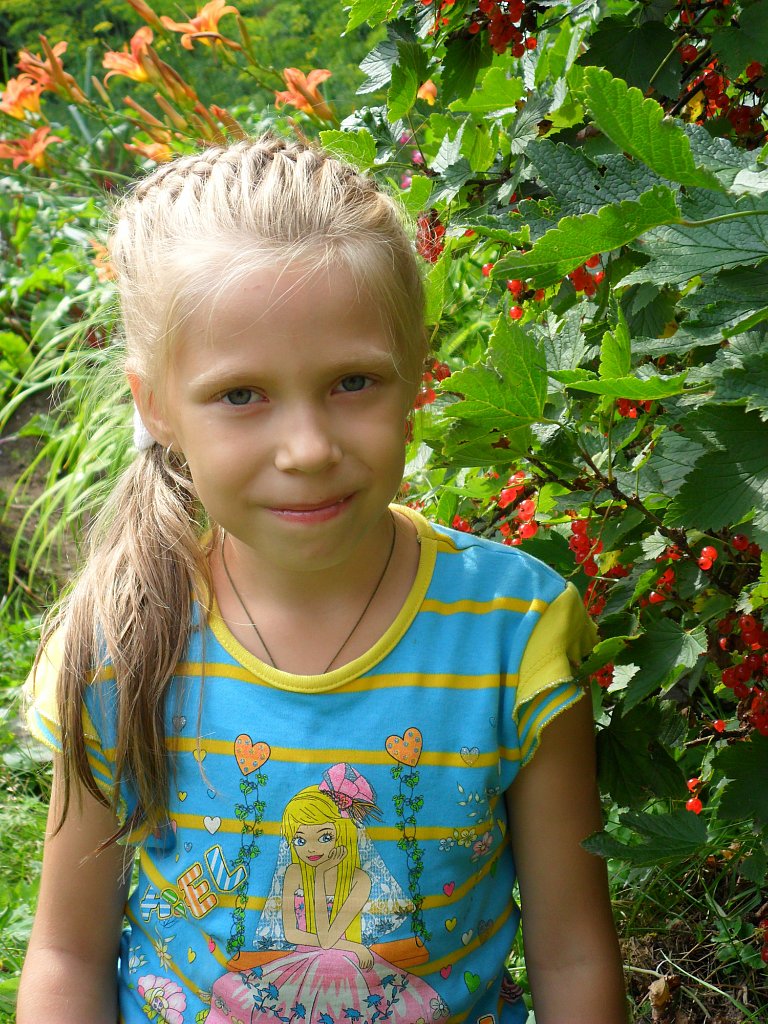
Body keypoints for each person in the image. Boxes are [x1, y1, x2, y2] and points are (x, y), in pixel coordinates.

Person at [18, 134, 627, 1024]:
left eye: (352, 382)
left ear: (416, 374)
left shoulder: (513, 631)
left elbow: (572, 952)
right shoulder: (118, 641)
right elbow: (66, 956)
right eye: (241, 395)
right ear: (156, 406)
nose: (307, 450)